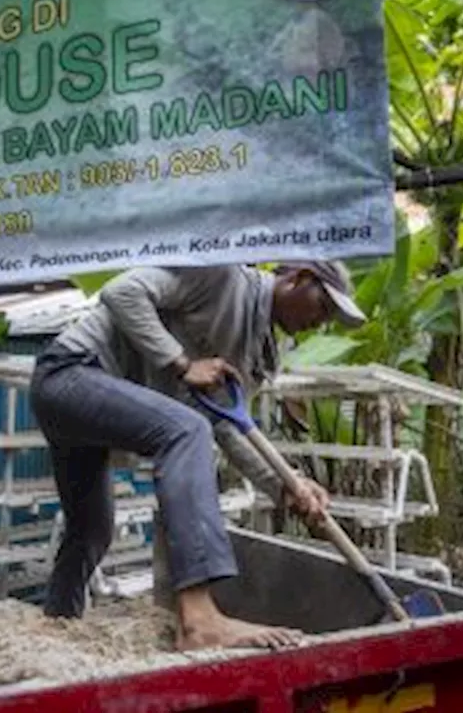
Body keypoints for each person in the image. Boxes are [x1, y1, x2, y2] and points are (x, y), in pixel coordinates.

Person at [29, 260, 367, 652]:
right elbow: (122, 293)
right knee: (187, 430)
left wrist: (284, 485)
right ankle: (199, 619)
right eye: (323, 308)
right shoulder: (222, 276)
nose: (321, 323)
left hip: (86, 398)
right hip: (70, 374)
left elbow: (226, 424)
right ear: (299, 279)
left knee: (91, 531)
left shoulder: (255, 347)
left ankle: (56, 630)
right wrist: (182, 363)